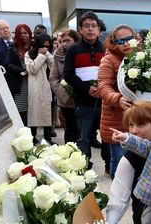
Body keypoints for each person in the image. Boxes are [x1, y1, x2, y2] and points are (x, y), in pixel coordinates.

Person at [63, 11, 105, 169]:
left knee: (106, 137)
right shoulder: (73, 50)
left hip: (104, 101)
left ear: (99, 30)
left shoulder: (106, 48)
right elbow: (68, 75)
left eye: (94, 26)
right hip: (83, 101)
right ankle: (84, 168)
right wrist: (87, 88)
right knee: (83, 138)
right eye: (86, 26)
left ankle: (108, 166)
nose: (90, 29)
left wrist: (102, 89)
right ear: (80, 29)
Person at [98, 24, 136, 178]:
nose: (126, 43)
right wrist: (118, 99)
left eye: (129, 39)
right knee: (120, 162)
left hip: (137, 117)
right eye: (121, 41)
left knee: (136, 162)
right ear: (113, 43)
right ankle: (117, 197)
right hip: (116, 118)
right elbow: (103, 86)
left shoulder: (141, 57)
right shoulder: (109, 60)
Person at [49, 29, 81, 143]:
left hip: (82, 98)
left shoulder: (82, 53)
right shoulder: (58, 55)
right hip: (65, 100)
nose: (65, 43)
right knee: (70, 129)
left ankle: (83, 157)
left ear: (76, 40)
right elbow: (53, 78)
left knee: (82, 130)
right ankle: (70, 155)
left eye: (68, 40)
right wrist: (65, 95)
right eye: (63, 41)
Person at [25, 34, 54, 144]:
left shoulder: (48, 54)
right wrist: (41, 56)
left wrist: (46, 54)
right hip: (35, 87)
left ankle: (48, 138)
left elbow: (55, 65)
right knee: (34, 112)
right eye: (43, 45)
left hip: (48, 87)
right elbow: (32, 69)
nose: (45, 48)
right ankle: (32, 137)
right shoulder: (29, 54)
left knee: (47, 112)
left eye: (47, 46)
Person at [5, 24, 32, 126]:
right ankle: (25, 134)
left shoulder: (34, 47)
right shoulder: (13, 47)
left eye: (25, 33)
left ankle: (33, 135)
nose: (23, 35)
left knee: (33, 111)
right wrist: (22, 71)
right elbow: (8, 64)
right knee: (22, 110)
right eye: (20, 33)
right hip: (20, 83)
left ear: (29, 33)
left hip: (34, 82)